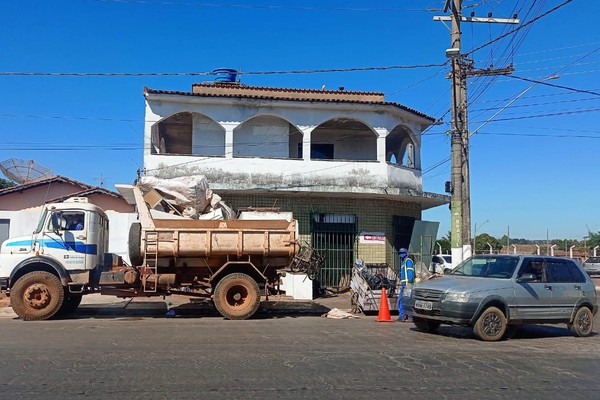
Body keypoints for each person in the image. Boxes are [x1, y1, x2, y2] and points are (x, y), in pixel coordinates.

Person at [397, 248, 415, 322]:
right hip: (404, 284)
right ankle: (402, 316)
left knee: (407, 301)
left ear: (406, 253)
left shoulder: (408, 261)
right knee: (402, 300)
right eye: (400, 253)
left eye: (402, 253)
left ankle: (409, 316)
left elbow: (410, 272)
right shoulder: (404, 262)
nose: (401, 254)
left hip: (407, 284)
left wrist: (409, 283)